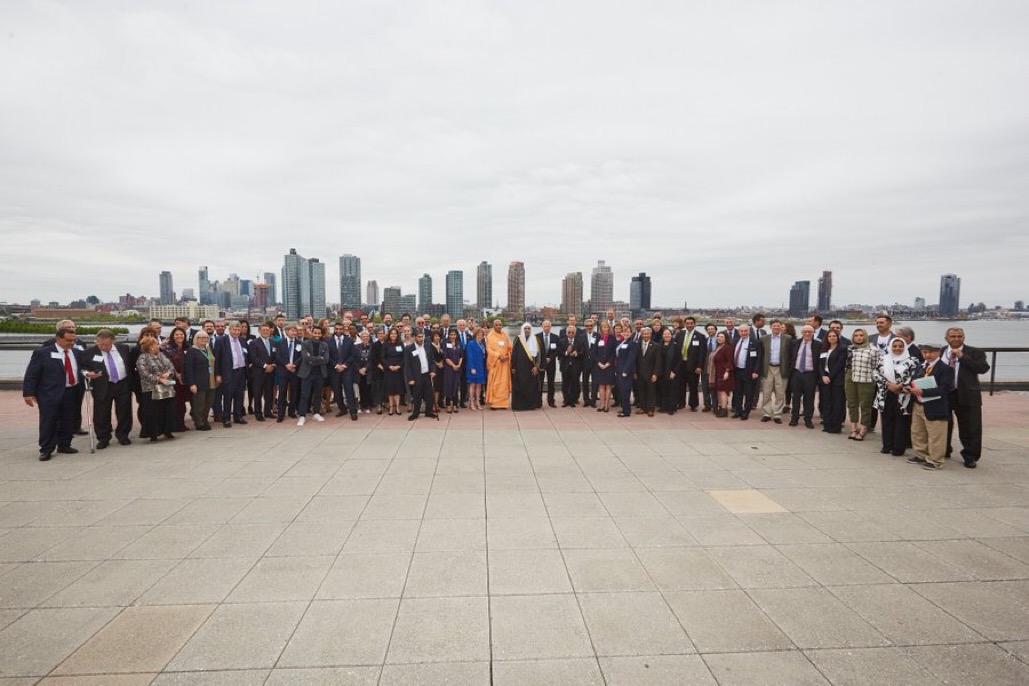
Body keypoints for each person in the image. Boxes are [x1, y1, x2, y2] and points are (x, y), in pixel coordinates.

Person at [22, 325, 93, 461]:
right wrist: (28, 393)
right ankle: (46, 449)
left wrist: (87, 373)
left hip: (72, 391)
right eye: (68, 341)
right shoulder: (42, 353)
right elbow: (32, 374)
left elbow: (82, 368)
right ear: (58, 339)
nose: (72, 343)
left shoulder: (77, 352)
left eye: (74, 341)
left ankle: (65, 444)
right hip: (49, 393)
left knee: (68, 419)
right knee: (49, 421)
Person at [942, 327, 990, 468]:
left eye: (959, 336)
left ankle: (970, 455)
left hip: (967, 394)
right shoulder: (941, 351)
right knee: (943, 423)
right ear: (947, 338)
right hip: (945, 393)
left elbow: (983, 368)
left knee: (970, 426)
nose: (956, 339)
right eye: (953, 336)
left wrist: (963, 356)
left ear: (964, 338)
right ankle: (944, 449)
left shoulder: (975, 352)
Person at [83, 329, 134, 449]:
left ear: (113, 341)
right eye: (100, 344)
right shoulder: (89, 352)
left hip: (123, 383)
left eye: (106, 344)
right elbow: (82, 367)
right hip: (102, 385)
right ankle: (103, 438)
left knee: (124, 411)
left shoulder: (123, 348)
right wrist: (87, 373)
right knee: (101, 412)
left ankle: (123, 435)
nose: (103, 346)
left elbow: (130, 365)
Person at [906, 342, 953, 470]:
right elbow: (914, 381)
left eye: (931, 352)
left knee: (936, 434)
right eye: (925, 352)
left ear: (938, 352)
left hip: (935, 405)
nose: (928, 355)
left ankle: (935, 460)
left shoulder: (945, 369)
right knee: (918, 431)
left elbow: (945, 388)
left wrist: (923, 392)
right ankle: (920, 454)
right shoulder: (920, 366)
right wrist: (910, 388)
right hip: (919, 403)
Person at [874, 337, 917, 456]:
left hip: (903, 395)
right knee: (887, 420)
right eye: (895, 346)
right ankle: (887, 445)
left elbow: (914, 376)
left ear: (904, 347)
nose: (897, 348)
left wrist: (900, 385)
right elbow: (876, 374)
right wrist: (889, 384)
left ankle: (899, 448)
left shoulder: (912, 361)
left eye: (900, 346)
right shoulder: (883, 359)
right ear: (890, 347)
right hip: (886, 393)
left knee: (901, 421)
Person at [135, 337, 177, 442]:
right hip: (151, 389)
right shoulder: (142, 358)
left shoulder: (161, 355)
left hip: (166, 387)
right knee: (153, 412)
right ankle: (153, 434)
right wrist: (159, 379)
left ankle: (167, 430)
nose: (158, 345)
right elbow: (144, 374)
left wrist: (168, 374)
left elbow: (171, 366)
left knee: (166, 410)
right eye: (156, 344)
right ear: (150, 346)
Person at [844, 328, 879, 441]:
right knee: (852, 404)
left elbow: (876, 366)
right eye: (856, 335)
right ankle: (854, 428)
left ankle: (863, 429)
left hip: (866, 379)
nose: (859, 337)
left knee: (865, 405)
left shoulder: (873, 349)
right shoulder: (850, 348)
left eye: (861, 335)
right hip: (850, 377)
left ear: (865, 336)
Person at [215, 321, 249, 428]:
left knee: (239, 395)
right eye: (234, 329)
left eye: (238, 330)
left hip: (241, 371)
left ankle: (238, 416)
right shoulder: (221, 341)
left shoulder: (243, 340)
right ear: (229, 330)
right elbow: (217, 359)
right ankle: (226, 418)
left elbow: (246, 355)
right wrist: (218, 374)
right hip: (228, 372)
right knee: (228, 396)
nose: (236, 332)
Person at [789, 325, 822, 428]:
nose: (807, 334)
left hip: (810, 374)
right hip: (797, 373)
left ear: (813, 333)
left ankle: (808, 419)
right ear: (802, 333)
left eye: (809, 332)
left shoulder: (818, 345)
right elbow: (790, 357)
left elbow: (820, 361)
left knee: (809, 398)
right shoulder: (795, 343)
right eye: (805, 332)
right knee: (795, 398)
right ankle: (794, 418)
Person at [759, 320, 792, 423]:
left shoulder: (788, 338)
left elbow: (790, 354)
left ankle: (777, 414)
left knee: (780, 393)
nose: (776, 328)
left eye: (778, 326)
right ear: (771, 327)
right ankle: (767, 413)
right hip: (768, 368)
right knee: (766, 392)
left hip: (781, 369)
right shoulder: (764, 339)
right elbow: (761, 354)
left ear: (781, 327)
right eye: (774, 326)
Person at [184, 330, 217, 431]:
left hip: (211, 381)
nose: (204, 339)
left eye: (206, 338)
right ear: (196, 339)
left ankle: (204, 419)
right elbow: (188, 369)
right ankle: (199, 422)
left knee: (209, 402)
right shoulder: (192, 351)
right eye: (201, 338)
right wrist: (192, 384)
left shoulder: (208, 349)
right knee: (199, 403)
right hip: (199, 382)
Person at [296, 325, 329, 425]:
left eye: (319, 333)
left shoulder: (325, 345)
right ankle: (302, 415)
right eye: (315, 333)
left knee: (318, 395)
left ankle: (316, 413)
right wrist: (319, 358)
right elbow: (306, 358)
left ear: (321, 334)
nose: (317, 335)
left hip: (319, 374)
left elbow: (326, 360)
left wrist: (313, 359)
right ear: (311, 332)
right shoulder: (305, 344)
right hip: (307, 373)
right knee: (305, 395)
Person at [161, 327, 191, 432]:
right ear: (173, 336)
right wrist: (177, 374)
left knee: (183, 403)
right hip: (174, 380)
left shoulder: (188, 348)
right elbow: (167, 364)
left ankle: (181, 423)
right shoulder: (167, 349)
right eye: (177, 334)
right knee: (176, 403)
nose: (179, 336)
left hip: (187, 379)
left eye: (181, 334)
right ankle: (176, 425)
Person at [730, 324, 762, 420]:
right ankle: (738, 411)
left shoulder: (755, 342)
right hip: (737, 371)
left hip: (749, 372)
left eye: (745, 331)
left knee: (749, 393)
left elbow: (759, 358)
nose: (743, 333)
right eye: (741, 331)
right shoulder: (735, 341)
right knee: (737, 393)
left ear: (749, 331)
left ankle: (746, 412)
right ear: (739, 332)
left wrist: (756, 371)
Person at [819, 330, 847, 434]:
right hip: (824, 380)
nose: (832, 337)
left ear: (838, 337)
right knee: (826, 403)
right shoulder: (824, 348)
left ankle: (836, 427)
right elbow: (820, 364)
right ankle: (827, 424)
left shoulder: (842, 348)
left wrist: (829, 377)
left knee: (837, 404)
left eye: (834, 336)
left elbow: (839, 364)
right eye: (829, 336)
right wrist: (823, 375)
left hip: (837, 380)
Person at [405, 330, 438, 420]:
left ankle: (429, 411)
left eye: (422, 337)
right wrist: (410, 378)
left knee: (429, 395)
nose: (421, 339)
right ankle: (415, 413)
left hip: (427, 375)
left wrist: (433, 371)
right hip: (416, 376)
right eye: (419, 337)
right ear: (414, 337)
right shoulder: (409, 348)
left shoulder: (427, 347)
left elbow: (432, 361)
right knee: (417, 395)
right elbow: (407, 366)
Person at [328, 321, 358, 419]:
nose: (339, 331)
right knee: (337, 390)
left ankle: (353, 411)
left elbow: (353, 355)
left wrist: (344, 365)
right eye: (337, 329)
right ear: (334, 329)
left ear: (344, 329)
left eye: (341, 329)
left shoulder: (349, 340)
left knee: (349, 390)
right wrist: (336, 365)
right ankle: (342, 409)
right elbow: (327, 356)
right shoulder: (328, 341)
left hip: (346, 369)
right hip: (334, 369)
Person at [248, 322, 277, 421]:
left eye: (267, 330)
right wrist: (265, 366)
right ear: (259, 331)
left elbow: (276, 356)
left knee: (269, 393)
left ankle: (268, 411)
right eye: (263, 330)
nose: (265, 331)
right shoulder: (254, 343)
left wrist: (273, 365)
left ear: (270, 331)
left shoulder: (274, 342)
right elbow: (253, 358)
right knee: (258, 394)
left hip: (271, 372)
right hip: (258, 372)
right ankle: (258, 413)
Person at [677, 316, 706, 412]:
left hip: (693, 366)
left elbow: (702, 353)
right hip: (681, 365)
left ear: (694, 324)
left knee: (693, 386)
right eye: (687, 323)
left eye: (691, 323)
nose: (689, 325)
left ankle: (693, 405)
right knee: (681, 385)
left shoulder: (700, 337)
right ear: (685, 324)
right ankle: (681, 403)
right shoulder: (680, 334)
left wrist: (700, 366)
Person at [511, 322, 542, 411]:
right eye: (525, 329)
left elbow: (539, 355)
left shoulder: (536, 340)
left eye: (528, 328)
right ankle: (520, 405)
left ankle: (531, 405)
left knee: (531, 387)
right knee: (520, 386)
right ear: (522, 330)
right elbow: (514, 354)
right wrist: (513, 367)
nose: (527, 330)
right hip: (520, 368)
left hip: (531, 368)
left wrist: (537, 366)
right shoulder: (518, 339)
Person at [275, 324, 302, 422]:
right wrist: (286, 364)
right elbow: (277, 356)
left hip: (294, 371)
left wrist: (294, 365)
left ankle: (291, 411)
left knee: (294, 392)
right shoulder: (280, 343)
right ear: (287, 331)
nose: (294, 333)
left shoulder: (300, 343)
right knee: (282, 393)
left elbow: (301, 357)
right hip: (283, 371)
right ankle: (280, 414)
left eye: (295, 331)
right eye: (292, 331)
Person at [485, 320, 512, 409]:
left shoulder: (505, 335)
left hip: (505, 364)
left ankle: (504, 403)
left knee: (504, 383)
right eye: (497, 325)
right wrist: (499, 356)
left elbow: (510, 347)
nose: (499, 326)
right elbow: (488, 349)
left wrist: (507, 355)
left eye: (500, 325)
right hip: (495, 363)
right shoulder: (490, 336)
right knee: (495, 383)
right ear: (494, 326)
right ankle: (494, 404)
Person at [635, 327, 662, 416]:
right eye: (644, 334)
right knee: (641, 391)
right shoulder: (637, 345)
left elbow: (658, 362)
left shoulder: (656, 346)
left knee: (651, 391)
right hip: (639, 373)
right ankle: (643, 407)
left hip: (651, 373)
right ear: (642, 335)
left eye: (648, 334)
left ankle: (651, 409)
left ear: (650, 335)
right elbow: (635, 360)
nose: (646, 335)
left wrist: (655, 374)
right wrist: (635, 372)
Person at [709, 331, 735, 417]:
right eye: (718, 336)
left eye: (722, 337)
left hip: (724, 373)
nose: (719, 338)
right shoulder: (718, 347)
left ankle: (724, 410)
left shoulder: (727, 348)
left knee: (723, 391)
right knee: (719, 391)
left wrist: (727, 372)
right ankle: (721, 408)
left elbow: (730, 360)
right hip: (717, 372)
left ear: (725, 339)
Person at [559, 324, 586, 407]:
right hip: (565, 365)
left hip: (575, 365)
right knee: (565, 383)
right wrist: (566, 352)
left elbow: (583, 352)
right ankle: (566, 400)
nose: (571, 334)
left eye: (572, 332)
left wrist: (576, 353)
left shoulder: (579, 341)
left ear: (575, 333)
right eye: (569, 332)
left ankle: (573, 400)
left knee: (575, 383)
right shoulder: (562, 341)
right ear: (566, 333)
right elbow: (559, 353)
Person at [382, 327, 406, 416]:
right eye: (392, 333)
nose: (393, 335)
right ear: (389, 334)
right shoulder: (385, 344)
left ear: (397, 335)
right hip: (389, 370)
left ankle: (398, 407)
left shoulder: (400, 344)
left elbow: (404, 357)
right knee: (390, 389)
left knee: (398, 389)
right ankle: (391, 407)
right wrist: (389, 366)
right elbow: (383, 357)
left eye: (395, 334)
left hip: (398, 369)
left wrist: (399, 366)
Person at [593, 321, 616, 413]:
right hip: (599, 365)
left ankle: (607, 405)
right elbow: (594, 352)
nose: (605, 328)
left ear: (609, 328)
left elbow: (614, 353)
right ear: (601, 328)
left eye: (606, 327)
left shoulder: (612, 338)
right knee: (601, 386)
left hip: (609, 366)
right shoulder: (598, 338)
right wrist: (599, 363)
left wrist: (608, 363)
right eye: (603, 327)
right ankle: (601, 405)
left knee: (608, 386)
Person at [614, 327, 637, 417]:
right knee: (622, 390)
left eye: (628, 332)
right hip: (619, 370)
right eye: (624, 332)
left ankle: (626, 411)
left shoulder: (632, 343)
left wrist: (626, 371)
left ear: (631, 333)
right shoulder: (622, 342)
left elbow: (631, 359)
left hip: (626, 371)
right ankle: (624, 408)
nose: (625, 333)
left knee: (625, 391)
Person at [536, 320, 559, 408]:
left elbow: (557, 351)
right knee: (539, 382)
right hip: (540, 363)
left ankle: (551, 401)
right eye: (545, 326)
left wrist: (550, 358)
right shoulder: (537, 337)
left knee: (551, 383)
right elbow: (535, 350)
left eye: (548, 326)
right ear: (542, 326)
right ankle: (538, 401)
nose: (546, 328)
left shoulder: (555, 337)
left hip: (551, 363)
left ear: (551, 327)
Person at [657, 327, 680, 415]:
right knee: (663, 389)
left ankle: (672, 408)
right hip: (662, 371)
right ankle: (664, 406)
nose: (666, 335)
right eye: (665, 334)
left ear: (671, 335)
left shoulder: (676, 345)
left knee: (672, 390)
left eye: (668, 334)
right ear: (662, 335)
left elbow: (679, 360)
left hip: (671, 372)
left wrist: (674, 371)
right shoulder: (660, 344)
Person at [464, 327, 488, 411]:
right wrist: (472, 367)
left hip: (481, 366)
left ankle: (478, 402)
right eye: (478, 334)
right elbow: (469, 356)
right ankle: (471, 403)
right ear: (475, 335)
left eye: (481, 335)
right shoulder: (471, 343)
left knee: (479, 385)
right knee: (473, 384)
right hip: (473, 366)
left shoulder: (482, 344)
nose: (480, 336)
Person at [442, 328, 464, 413]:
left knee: (456, 385)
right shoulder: (445, 344)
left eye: (454, 334)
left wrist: (458, 365)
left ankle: (455, 405)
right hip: (449, 369)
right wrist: (453, 365)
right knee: (449, 386)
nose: (453, 336)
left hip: (458, 369)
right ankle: (448, 405)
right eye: (451, 334)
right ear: (448, 335)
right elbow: (446, 357)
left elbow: (461, 356)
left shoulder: (459, 343)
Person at [700, 323, 719, 412]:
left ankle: (715, 406)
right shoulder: (705, 340)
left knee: (714, 388)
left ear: (715, 330)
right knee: (705, 387)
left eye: (712, 329)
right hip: (705, 367)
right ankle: (707, 405)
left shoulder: (719, 341)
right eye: (709, 329)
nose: (710, 330)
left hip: (715, 368)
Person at [355, 330, 374, 414]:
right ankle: (362, 405)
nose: (365, 338)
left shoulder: (372, 347)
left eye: (367, 336)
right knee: (361, 388)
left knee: (368, 388)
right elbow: (354, 359)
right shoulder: (356, 347)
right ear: (361, 337)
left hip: (369, 371)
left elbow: (372, 360)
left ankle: (368, 405)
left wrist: (365, 368)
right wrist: (359, 369)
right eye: (364, 336)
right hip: (359, 371)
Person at [581, 318, 597, 407]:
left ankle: (593, 400)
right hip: (585, 363)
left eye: (591, 326)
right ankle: (586, 400)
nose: (589, 327)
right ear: (585, 327)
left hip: (595, 363)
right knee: (585, 382)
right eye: (587, 326)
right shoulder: (581, 336)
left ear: (593, 326)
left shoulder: (598, 336)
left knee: (595, 382)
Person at [370, 327, 386, 415]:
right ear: (376, 335)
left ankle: (384, 402)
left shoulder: (387, 344)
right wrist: (380, 366)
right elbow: (373, 357)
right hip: (377, 369)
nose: (381, 335)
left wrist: (386, 366)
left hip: (387, 369)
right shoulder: (375, 345)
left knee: (385, 386)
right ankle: (379, 405)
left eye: (382, 333)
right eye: (379, 334)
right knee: (378, 387)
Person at [429, 330, 445, 413]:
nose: (437, 337)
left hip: (441, 369)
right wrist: (437, 363)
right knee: (433, 387)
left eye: (438, 336)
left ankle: (437, 404)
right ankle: (432, 404)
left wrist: (442, 362)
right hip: (433, 369)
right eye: (435, 336)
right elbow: (430, 357)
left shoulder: (441, 345)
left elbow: (444, 355)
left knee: (438, 387)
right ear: (432, 337)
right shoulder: (429, 346)